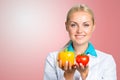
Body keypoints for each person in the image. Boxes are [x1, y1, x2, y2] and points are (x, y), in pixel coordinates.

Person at [44, 4, 117, 80]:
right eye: (73, 25)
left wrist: (85, 75)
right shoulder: (53, 58)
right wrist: (68, 76)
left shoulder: (107, 60)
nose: (79, 31)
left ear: (93, 27)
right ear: (66, 26)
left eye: (86, 25)